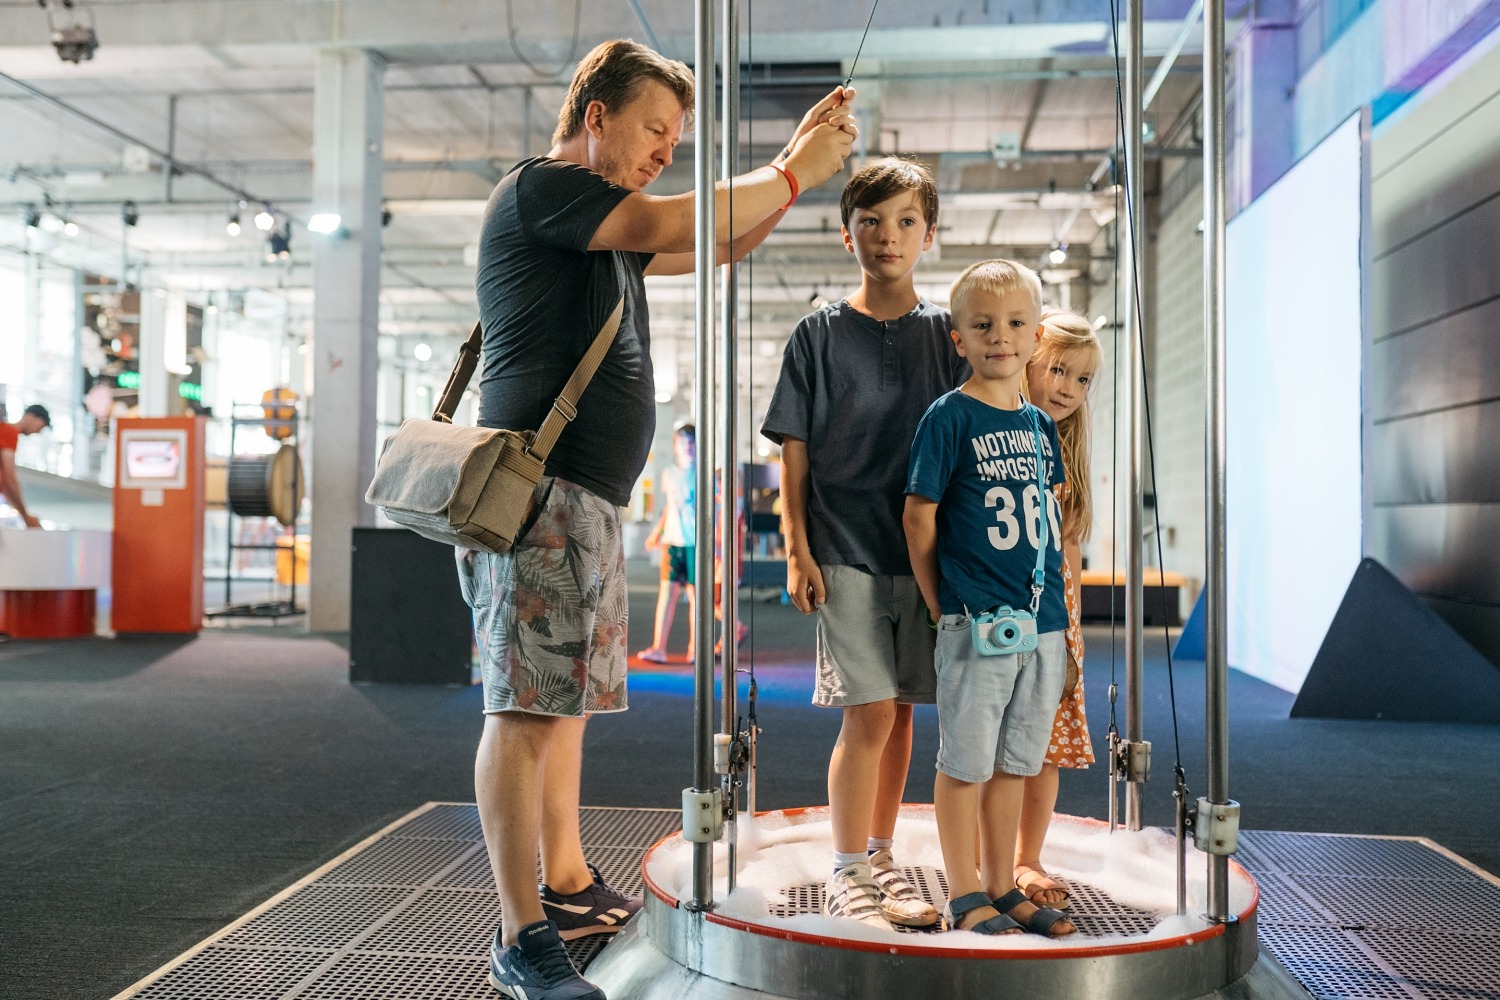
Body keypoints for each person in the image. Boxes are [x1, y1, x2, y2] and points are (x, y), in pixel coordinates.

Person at [460, 38, 857, 1000]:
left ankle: (563, 884)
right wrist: (792, 169)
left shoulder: (601, 221)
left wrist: (793, 176)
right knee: (522, 712)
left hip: (584, 500)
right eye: (653, 129)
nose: (664, 150)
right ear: (595, 114)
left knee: (562, 712)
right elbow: (676, 217)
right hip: (539, 494)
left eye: (675, 138)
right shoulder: (546, 188)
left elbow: (718, 239)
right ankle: (522, 939)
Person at [761, 158, 961, 930]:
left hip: (924, 556)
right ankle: (849, 870)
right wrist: (795, 545)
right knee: (869, 710)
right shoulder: (816, 333)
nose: (888, 236)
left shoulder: (949, 335)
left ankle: (879, 856)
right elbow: (795, 451)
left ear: (929, 235)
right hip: (841, 547)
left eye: (906, 221)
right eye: (871, 222)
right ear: (847, 235)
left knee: (905, 711)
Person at [903, 259, 1076, 937]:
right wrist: (940, 602)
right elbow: (919, 517)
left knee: (1016, 762)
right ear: (959, 339)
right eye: (982, 326)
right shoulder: (949, 417)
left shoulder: (1040, 427)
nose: (999, 337)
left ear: (1036, 335)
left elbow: (1051, 521)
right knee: (967, 762)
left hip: (1044, 624)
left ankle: (1004, 884)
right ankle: (965, 889)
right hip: (975, 621)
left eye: (1013, 324)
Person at [1014, 308, 1102, 910]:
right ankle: (984, 857)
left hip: (1054, 614)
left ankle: (1028, 857)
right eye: (1059, 371)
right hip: (998, 607)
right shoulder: (995, 428)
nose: (1069, 388)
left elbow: (1070, 544)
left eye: (1083, 379)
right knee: (991, 742)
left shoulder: (1069, 448)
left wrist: (1072, 633)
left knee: (1047, 744)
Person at [638, 421, 696, 664]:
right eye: (682, 442)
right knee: (667, 594)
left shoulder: (705, 474)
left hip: (696, 542)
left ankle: (696, 648)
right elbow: (669, 508)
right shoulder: (669, 474)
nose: (688, 446)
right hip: (672, 542)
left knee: (696, 597)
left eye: (691, 442)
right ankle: (658, 647)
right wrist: (657, 533)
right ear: (675, 446)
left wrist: (715, 543)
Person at [0, 404, 51, 528]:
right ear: (31, 416)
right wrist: (26, 517)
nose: (39, 432)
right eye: (41, 425)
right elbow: (9, 480)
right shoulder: (8, 431)